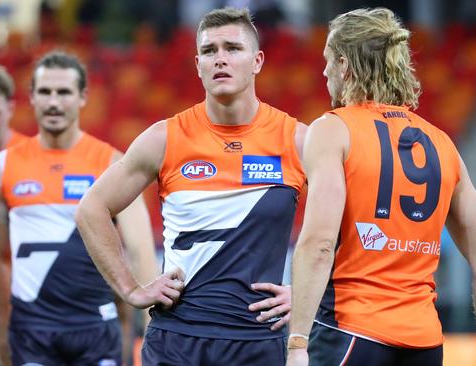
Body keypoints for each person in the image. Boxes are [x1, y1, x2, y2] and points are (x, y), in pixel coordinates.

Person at [76, 7, 307, 365]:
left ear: (257, 60)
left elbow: (357, 218)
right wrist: (130, 289)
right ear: (197, 63)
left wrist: (308, 293)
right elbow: (91, 210)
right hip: (176, 340)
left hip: (256, 342)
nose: (220, 59)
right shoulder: (163, 138)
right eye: (209, 51)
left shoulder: (297, 140)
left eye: (232, 48)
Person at [286, 8, 476, 366]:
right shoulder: (442, 144)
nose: (324, 70)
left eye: (328, 59)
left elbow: (319, 243)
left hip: (350, 335)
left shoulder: (332, 130)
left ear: (345, 65)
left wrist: (297, 343)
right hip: (425, 345)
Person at [0, 50, 159, 366]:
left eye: (64, 92)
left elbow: (141, 253)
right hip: (31, 332)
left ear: (82, 98)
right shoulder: (3, 166)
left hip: (95, 328)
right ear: (32, 98)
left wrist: (151, 332)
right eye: (45, 92)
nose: (54, 102)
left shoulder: (111, 163)